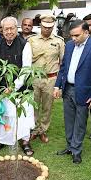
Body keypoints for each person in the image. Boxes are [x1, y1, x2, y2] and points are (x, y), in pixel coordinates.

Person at [54, 20, 91, 164]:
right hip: (68, 89)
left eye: (76, 35)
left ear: (86, 32)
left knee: (80, 122)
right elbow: (63, 67)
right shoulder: (69, 46)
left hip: (85, 92)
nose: (73, 39)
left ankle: (76, 150)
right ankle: (70, 146)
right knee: (69, 120)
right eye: (71, 36)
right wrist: (57, 86)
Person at [0, 16, 35, 155]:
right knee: (4, 115)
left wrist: (13, 87)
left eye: (12, 28)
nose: (9, 31)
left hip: (21, 89)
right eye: (6, 29)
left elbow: (26, 69)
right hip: (2, 89)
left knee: (22, 116)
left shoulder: (24, 44)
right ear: (2, 30)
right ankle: (2, 139)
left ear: (17, 29)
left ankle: (24, 141)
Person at [28, 14, 65, 143]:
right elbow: (27, 59)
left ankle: (43, 130)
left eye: (50, 27)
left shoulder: (59, 41)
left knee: (47, 106)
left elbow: (62, 62)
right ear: (40, 25)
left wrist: (59, 84)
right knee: (33, 105)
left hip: (51, 78)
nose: (47, 29)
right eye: (44, 27)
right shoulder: (31, 40)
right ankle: (34, 129)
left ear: (53, 26)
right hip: (35, 78)